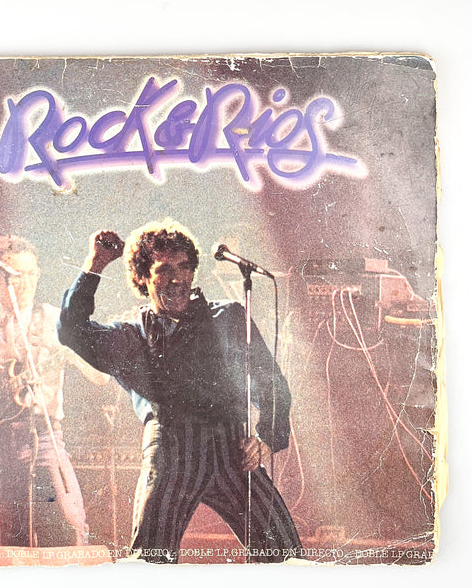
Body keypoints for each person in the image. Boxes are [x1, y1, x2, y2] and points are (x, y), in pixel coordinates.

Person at [57, 220, 302, 563]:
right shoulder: (133, 336)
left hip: (233, 450)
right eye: (164, 269)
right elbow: (72, 331)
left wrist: (267, 438)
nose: (177, 279)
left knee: (286, 556)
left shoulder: (228, 317)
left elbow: (271, 381)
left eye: (184, 267)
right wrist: (95, 265)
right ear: (143, 278)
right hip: (172, 452)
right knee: (151, 561)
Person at [0, 235, 106, 548]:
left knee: (69, 522)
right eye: (15, 275)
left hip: (42, 434)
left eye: (31, 274)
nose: (25, 283)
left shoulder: (56, 320)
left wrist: (86, 351)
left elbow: (100, 378)